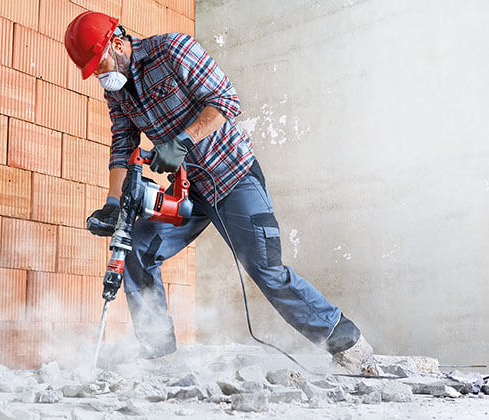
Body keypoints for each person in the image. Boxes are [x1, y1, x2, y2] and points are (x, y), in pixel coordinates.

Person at [64, 11, 378, 374]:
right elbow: (123, 145)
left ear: (118, 44)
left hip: (234, 179)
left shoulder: (173, 50)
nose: (101, 76)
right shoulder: (119, 93)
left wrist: (181, 141)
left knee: (266, 270)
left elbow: (227, 101)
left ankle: (350, 346)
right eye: (93, 72)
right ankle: (160, 359)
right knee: (135, 246)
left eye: (100, 64)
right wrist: (113, 204)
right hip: (191, 192)